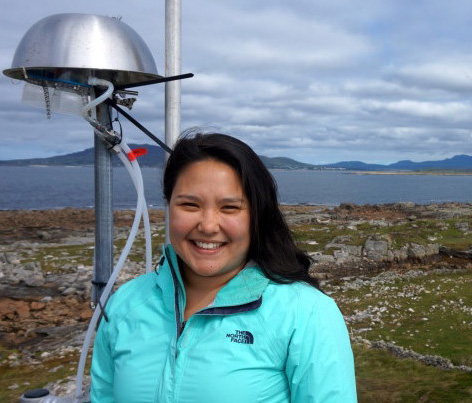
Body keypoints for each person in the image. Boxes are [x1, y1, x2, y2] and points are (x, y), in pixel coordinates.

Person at [90, 129, 357, 402]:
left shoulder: (305, 314)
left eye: (230, 208)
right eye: (189, 205)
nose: (207, 226)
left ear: (257, 216)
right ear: (169, 207)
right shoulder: (125, 304)